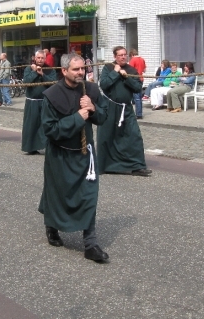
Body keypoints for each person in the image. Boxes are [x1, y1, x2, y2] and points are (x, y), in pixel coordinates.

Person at [39, 53, 109, 262]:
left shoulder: (92, 90)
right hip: (60, 154)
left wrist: (93, 108)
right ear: (64, 71)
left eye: (83, 69)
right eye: (76, 69)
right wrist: (77, 118)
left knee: (89, 196)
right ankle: (52, 227)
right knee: (58, 194)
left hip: (85, 155)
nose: (81, 73)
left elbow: (104, 118)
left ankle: (91, 244)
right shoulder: (51, 95)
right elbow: (50, 130)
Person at [98, 47, 150, 176]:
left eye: (125, 55)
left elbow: (138, 88)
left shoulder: (131, 70)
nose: (123, 57)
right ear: (115, 57)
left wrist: (127, 78)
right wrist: (115, 73)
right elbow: (103, 84)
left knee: (134, 135)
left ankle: (137, 166)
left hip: (126, 108)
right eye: (120, 55)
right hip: (110, 106)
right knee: (106, 135)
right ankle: (103, 165)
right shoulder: (108, 68)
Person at [21, 50, 57, 155]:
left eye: (42, 58)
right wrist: (34, 72)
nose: (40, 60)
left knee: (45, 124)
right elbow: (26, 82)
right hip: (32, 102)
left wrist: (42, 74)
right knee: (31, 125)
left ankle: (46, 146)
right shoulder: (28, 69)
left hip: (45, 101)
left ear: (45, 59)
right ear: (35, 58)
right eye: (38, 58)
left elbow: (53, 84)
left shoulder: (50, 70)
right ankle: (31, 147)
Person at [128, 49, 146, 119]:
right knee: (138, 97)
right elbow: (144, 70)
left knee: (136, 98)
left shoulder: (133, 60)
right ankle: (139, 112)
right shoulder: (142, 59)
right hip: (141, 78)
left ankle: (138, 114)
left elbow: (130, 70)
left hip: (135, 78)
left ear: (132, 55)